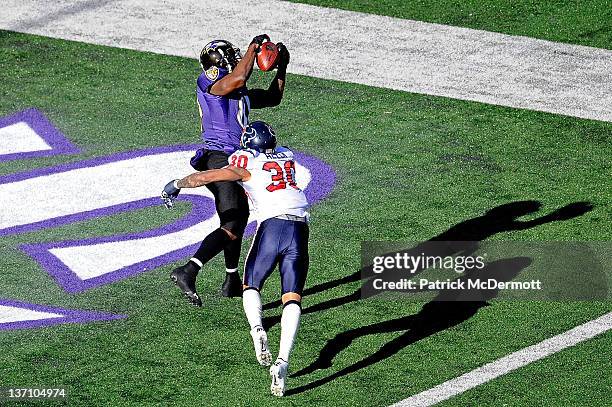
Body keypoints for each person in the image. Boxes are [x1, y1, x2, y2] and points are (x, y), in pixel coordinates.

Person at [162, 121, 309, 397]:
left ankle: (257, 330)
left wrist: (176, 184)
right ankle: (283, 361)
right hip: (300, 228)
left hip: (273, 226)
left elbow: (204, 178)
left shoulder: (245, 161)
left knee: (251, 286)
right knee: (292, 297)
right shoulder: (287, 154)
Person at [167, 35, 290, 306]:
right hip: (219, 157)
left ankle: (231, 279)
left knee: (236, 218)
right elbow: (237, 79)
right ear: (217, 61)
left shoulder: (236, 88)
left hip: (235, 158)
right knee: (233, 223)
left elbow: (273, 97)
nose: (236, 58)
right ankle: (189, 270)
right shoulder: (210, 82)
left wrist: (282, 67)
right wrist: (252, 51)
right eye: (230, 55)